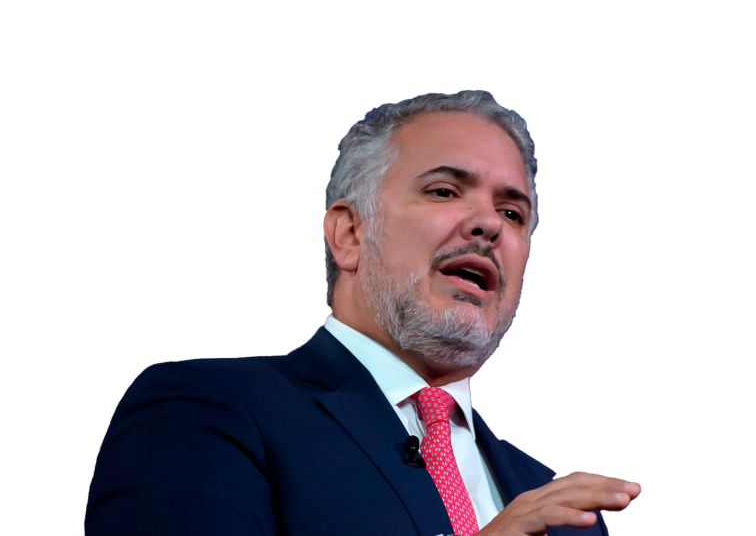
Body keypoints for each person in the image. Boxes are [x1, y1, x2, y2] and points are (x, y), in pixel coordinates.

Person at [84, 91, 640, 535]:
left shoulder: (561, 511)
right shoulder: (208, 410)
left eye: (512, 213)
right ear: (350, 234)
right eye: (445, 191)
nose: (489, 224)